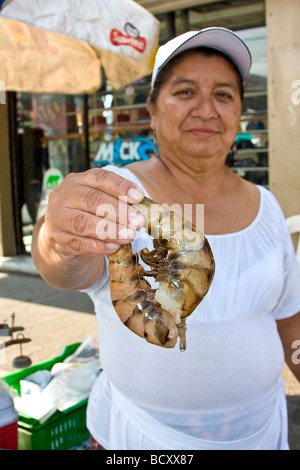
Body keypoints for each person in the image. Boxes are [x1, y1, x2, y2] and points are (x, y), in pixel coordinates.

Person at [31, 27, 300, 450]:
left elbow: (288, 318)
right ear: (152, 110)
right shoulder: (115, 188)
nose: (207, 110)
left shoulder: (266, 204)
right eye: (186, 91)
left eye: (224, 95)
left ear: (239, 114)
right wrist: (56, 235)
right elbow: (61, 267)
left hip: (262, 433)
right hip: (139, 439)